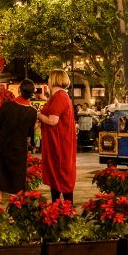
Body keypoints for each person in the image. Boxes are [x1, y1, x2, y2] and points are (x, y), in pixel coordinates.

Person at [0, 79, 38, 199]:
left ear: (19, 90)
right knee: (16, 183)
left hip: (4, 147)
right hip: (19, 150)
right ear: (32, 93)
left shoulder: (7, 106)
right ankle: (13, 211)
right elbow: (30, 134)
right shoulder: (32, 112)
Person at [36, 69, 76, 203]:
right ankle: (60, 209)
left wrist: (39, 115)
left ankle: (63, 210)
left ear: (54, 80)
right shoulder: (60, 96)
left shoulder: (59, 97)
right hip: (57, 143)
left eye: (49, 78)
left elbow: (53, 121)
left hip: (58, 143)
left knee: (60, 174)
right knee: (57, 176)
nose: (47, 81)